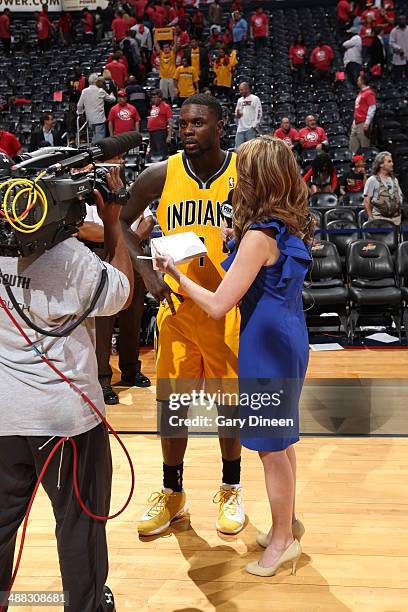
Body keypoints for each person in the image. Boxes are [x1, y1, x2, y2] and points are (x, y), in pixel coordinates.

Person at [154, 135, 312, 576]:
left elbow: (220, 303)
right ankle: (288, 524)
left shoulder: (259, 236)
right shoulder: (286, 225)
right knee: (284, 440)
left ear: (257, 178)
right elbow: (257, 280)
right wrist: (228, 246)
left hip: (265, 345)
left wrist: (174, 274)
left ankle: (281, 542)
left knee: (269, 450)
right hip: (290, 337)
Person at [0, 167, 133, 612]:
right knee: (79, 526)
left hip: (4, 417)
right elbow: (121, 293)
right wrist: (114, 221)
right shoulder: (69, 257)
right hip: (66, 423)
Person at [120, 94, 245, 537]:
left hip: (226, 309)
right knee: (172, 406)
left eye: (197, 123)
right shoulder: (162, 173)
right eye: (182, 124)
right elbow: (123, 223)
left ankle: (232, 487)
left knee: (229, 406)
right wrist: (145, 275)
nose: (186, 131)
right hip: (177, 308)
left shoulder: (242, 173)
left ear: (219, 126)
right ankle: (173, 493)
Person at [364, 151, 403, 225]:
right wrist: (371, 218)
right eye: (389, 161)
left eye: (392, 161)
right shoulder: (372, 180)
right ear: (381, 164)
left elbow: (400, 196)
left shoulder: (394, 180)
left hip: (396, 219)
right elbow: (366, 201)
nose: (392, 164)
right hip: (380, 219)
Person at [77, 73, 116, 144]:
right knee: (99, 139)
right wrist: (112, 94)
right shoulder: (100, 90)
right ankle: (97, 152)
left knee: (93, 137)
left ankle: (92, 150)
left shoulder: (84, 91)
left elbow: (79, 105)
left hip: (89, 119)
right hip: (99, 119)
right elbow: (112, 100)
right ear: (96, 81)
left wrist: (80, 113)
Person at [349, 73, 376, 154]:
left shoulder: (369, 93)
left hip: (363, 123)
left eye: (358, 80)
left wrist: (367, 123)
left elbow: (372, 107)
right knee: (352, 147)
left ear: (362, 81)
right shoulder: (361, 93)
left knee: (365, 147)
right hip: (356, 123)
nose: (357, 81)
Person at [147, 88, 173, 160]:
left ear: (160, 98)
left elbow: (170, 121)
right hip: (152, 132)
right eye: (152, 97)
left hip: (160, 132)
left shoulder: (166, 106)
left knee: (161, 154)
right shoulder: (153, 106)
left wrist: (169, 136)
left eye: (155, 97)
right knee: (153, 153)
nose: (153, 99)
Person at [234, 81, 262, 147]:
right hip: (240, 129)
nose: (240, 92)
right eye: (239, 90)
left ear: (247, 89)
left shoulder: (255, 98)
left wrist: (255, 124)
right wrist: (238, 114)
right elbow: (237, 114)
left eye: (241, 90)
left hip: (250, 128)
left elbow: (259, 112)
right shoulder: (239, 100)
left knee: (250, 150)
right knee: (238, 149)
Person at [390, 14, 408, 80]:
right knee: (398, 77)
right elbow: (391, 43)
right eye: (401, 20)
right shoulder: (394, 31)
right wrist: (399, 48)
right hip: (398, 58)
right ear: (398, 21)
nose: (403, 21)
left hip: (407, 56)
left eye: (404, 19)